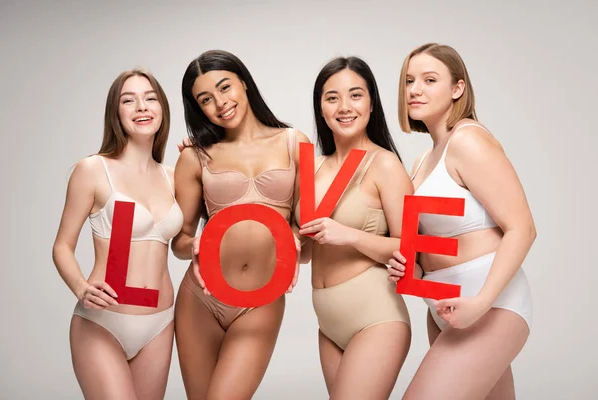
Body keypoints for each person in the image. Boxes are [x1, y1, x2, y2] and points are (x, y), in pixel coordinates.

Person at [387, 43, 535, 400]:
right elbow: (430, 247)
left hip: (488, 306)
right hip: (444, 308)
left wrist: (482, 303)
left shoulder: (468, 140)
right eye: (409, 80)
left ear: (458, 88)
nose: (414, 90)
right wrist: (411, 271)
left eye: (429, 79)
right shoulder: (423, 159)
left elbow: (522, 228)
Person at [171, 49, 309, 399]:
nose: (220, 103)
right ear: (198, 108)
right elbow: (180, 240)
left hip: (259, 301)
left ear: (244, 83)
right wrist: (195, 244)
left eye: (225, 87)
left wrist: (294, 239)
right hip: (200, 299)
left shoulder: (296, 143)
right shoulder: (195, 155)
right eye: (206, 99)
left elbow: (306, 230)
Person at [52, 69, 182, 400]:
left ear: (162, 109)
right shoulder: (94, 170)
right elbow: (62, 247)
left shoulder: (174, 176)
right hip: (103, 322)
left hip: (161, 324)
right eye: (129, 100)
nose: (141, 106)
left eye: (150, 98)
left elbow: (185, 243)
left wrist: (199, 157)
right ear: (116, 112)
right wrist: (81, 287)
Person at [297, 56, 412, 400]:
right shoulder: (311, 169)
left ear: (372, 104)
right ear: (320, 107)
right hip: (328, 324)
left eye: (355, 95)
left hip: (375, 316)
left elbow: (411, 248)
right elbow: (304, 250)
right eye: (332, 97)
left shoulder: (385, 165)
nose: (344, 107)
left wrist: (350, 235)